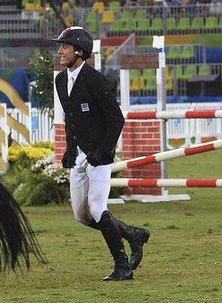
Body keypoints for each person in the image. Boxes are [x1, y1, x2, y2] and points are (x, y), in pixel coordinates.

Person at [53, 26, 150, 282]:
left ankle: (123, 267)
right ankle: (132, 234)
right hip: (79, 154)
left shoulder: (96, 80)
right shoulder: (60, 80)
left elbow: (116, 120)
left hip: (99, 153)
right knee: (81, 216)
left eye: (64, 46)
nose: (59, 50)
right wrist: (69, 150)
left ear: (79, 51)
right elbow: (70, 121)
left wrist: (103, 151)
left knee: (97, 207)